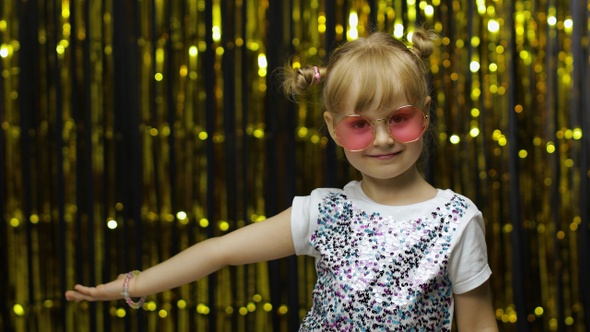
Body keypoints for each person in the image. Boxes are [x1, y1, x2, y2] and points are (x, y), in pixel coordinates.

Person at [66, 28, 499, 331]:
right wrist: (131, 285)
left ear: (424, 113)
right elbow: (219, 252)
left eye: (400, 120)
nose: (383, 139)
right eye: (360, 125)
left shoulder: (456, 219)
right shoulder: (325, 212)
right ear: (333, 129)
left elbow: (478, 324)